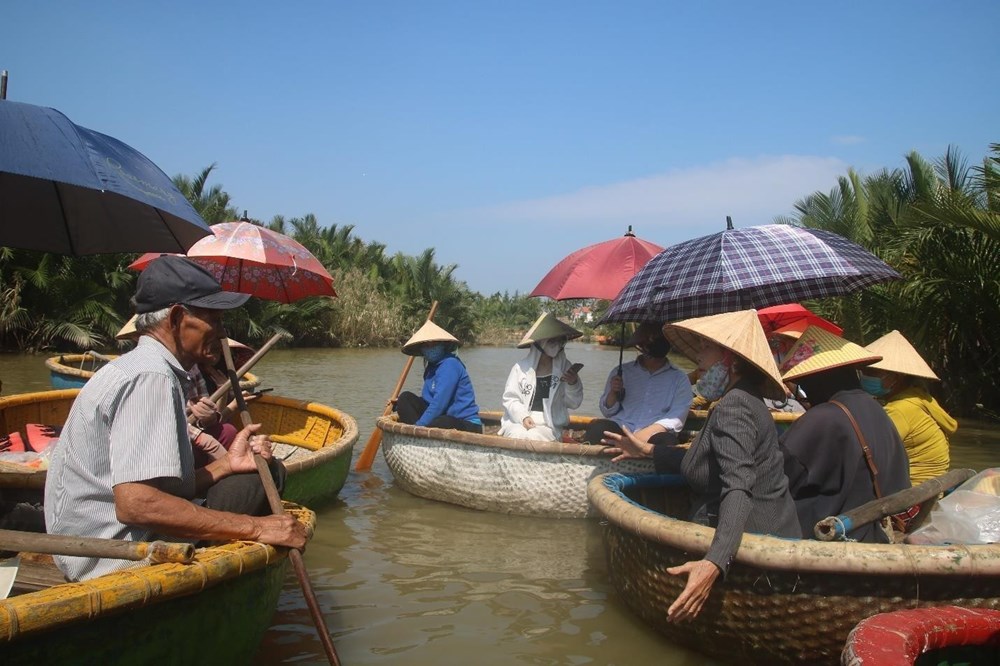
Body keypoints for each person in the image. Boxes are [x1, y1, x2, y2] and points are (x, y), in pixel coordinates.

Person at [44, 256, 307, 581]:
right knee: (266, 476)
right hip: (112, 556)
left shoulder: (139, 368)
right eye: (215, 320)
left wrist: (226, 465)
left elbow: (156, 490)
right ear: (179, 317)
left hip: (89, 546)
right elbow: (137, 505)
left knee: (248, 473)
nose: (222, 332)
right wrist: (257, 528)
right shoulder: (151, 377)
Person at [603, 310, 801, 622]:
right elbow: (710, 462)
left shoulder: (734, 407)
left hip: (758, 543)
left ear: (730, 361)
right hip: (774, 529)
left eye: (706, 350)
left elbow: (738, 487)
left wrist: (714, 563)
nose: (699, 361)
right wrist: (648, 450)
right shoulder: (743, 399)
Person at [778, 325, 911, 543]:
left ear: (818, 380)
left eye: (804, 384)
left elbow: (777, 475)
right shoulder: (876, 407)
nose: (804, 394)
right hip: (874, 529)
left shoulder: (824, 418)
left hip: (839, 534)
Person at [862, 330, 957, 485]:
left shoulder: (900, 409)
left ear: (895, 377)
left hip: (913, 490)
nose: (865, 376)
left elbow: (870, 453)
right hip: (932, 486)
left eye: (871, 372)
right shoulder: (920, 397)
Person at [583, 322, 692, 446]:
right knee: (597, 428)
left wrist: (634, 441)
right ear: (642, 345)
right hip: (622, 427)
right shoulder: (621, 372)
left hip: (654, 433)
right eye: (652, 339)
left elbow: (675, 419)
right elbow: (607, 412)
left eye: (662, 337)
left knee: (667, 441)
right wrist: (613, 393)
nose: (658, 341)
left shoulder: (679, 378)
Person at [499, 313, 584, 441]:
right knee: (516, 435)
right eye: (552, 340)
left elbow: (573, 403)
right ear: (540, 343)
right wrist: (523, 417)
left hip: (549, 425)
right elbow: (510, 399)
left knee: (534, 436)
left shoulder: (565, 368)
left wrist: (573, 383)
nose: (558, 344)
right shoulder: (521, 368)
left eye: (561, 340)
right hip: (518, 421)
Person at [395, 320, 483, 433]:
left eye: (434, 344)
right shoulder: (431, 367)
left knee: (442, 422)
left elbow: (439, 404)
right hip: (441, 416)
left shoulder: (450, 364)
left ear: (443, 345)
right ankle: (416, 434)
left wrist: (419, 427)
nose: (430, 348)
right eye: (426, 345)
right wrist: (397, 405)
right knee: (405, 398)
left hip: (464, 422)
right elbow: (428, 401)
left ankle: (416, 434)